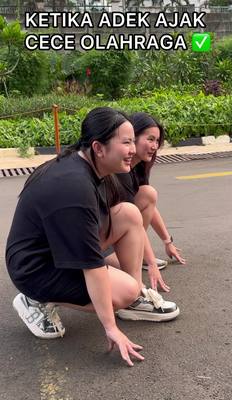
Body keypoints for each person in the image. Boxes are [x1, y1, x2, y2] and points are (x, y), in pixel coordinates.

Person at [5, 107, 179, 367]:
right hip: (35, 268)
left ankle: (131, 300)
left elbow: (121, 221)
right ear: (99, 148)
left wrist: (156, 255)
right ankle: (35, 299)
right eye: (126, 142)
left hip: (57, 249)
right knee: (125, 290)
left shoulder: (92, 167)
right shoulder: (74, 186)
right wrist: (110, 327)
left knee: (129, 213)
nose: (133, 149)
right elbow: (92, 266)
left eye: (133, 141)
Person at [106, 112, 186, 292]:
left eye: (157, 141)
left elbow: (150, 206)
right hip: (100, 239)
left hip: (112, 230)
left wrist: (167, 241)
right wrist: (150, 263)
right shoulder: (120, 171)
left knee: (148, 193)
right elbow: (132, 219)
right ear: (133, 137)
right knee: (125, 280)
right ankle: (136, 292)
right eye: (150, 139)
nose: (154, 146)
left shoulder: (136, 168)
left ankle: (134, 257)